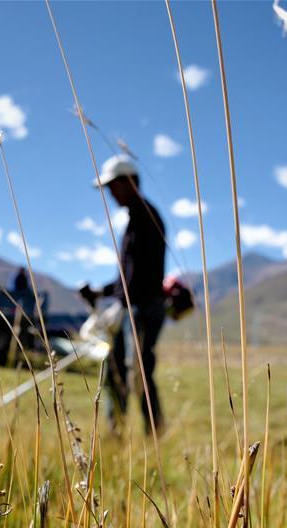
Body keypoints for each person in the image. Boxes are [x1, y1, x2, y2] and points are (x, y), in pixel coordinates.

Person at [80, 155, 167, 434]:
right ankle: (116, 432)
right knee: (117, 369)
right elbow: (126, 278)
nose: (110, 193)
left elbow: (141, 277)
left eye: (113, 186)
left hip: (142, 309)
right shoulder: (135, 219)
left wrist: (115, 298)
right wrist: (102, 293)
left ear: (130, 182)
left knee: (138, 374)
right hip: (132, 307)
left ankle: (153, 436)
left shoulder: (145, 218)